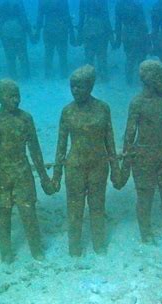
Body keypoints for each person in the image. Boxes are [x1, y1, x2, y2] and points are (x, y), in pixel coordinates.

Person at [0, 79, 53, 263]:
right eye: (11, 96)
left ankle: (36, 250)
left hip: (22, 172)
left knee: (28, 212)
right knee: (3, 214)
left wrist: (44, 177)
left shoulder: (25, 119)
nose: (16, 100)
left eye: (17, 96)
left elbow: (35, 149)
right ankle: (6, 253)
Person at [51, 65, 120, 256]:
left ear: (90, 86)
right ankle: (74, 248)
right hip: (74, 166)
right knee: (74, 208)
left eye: (79, 87)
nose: (75, 90)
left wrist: (115, 169)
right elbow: (61, 145)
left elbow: (110, 142)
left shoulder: (103, 109)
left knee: (98, 206)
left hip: (99, 165)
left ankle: (99, 244)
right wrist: (56, 174)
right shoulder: (67, 112)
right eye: (72, 86)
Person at [120, 60, 162, 243]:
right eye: (160, 77)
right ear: (149, 79)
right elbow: (129, 134)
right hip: (144, 155)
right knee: (145, 195)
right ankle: (145, 233)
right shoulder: (137, 103)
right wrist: (125, 165)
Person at [35, 0, 74, 78]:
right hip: (61, 30)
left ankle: (48, 74)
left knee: (48, 54)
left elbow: (40, 17)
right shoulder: (63, 2)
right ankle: (64, 74)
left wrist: (37, 33)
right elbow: (67, 16)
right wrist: (71, 32)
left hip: (48, 30)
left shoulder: (42, 1)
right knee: (62, 54)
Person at [114, 0, 150, 85]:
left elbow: (118, 24)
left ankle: (129, 81)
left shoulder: (119, 5)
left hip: (127, 35)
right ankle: (142, 81)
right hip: (139, 34)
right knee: (141, 59)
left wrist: (118, 40)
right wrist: (147, 39)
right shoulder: (137, 4)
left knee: (130, 58)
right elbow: (143, 23)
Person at [0, 0, 32, 79]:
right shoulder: (19, 2)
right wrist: (29, 32)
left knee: (9, 55)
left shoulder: (0, 4)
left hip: (5, 30)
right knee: (23, 54)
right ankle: (26, 75)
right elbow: (24, 18)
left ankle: (13, 75)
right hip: (18, 29)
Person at [77, 0, 114, 82]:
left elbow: (81, 18)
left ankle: (89, 78)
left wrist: (79, 35)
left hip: (88, 31)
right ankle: (103, 77)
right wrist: (111, 36)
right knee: (102, 57)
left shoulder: (83, 2)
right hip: (101, 31)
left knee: (89, 57)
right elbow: (106, 17)